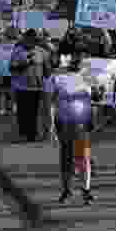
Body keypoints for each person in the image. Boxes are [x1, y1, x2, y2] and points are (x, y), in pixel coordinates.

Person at [43, 50, 94, 204]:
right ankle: (67, 190)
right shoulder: (56, 76)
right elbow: (49, 103)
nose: (78, 61)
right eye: (75, 57)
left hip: (83, 123)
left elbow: (97, 99)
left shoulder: (89, 77)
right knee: (67, 157)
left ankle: (86, 191)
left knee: (84, 157)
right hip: (63, 123)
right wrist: (50, 125)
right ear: (69, 59)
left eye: (81, 59)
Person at [9, 29, 51, 142]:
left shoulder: (42, 52)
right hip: (21, 87)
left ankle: (32, 135)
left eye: (34, 40)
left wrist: (47, 69)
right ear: (25, 39)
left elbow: (47, 71)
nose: (31, 42)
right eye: (29, 40)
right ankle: (23, 134)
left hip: (36, 87)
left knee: (34, 112)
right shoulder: (17, 51)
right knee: (23, 112)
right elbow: (12, 69)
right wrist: (24, 64)